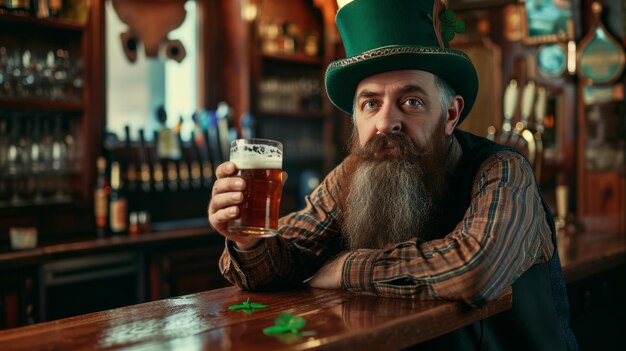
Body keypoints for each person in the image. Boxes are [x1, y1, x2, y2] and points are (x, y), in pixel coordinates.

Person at [208, 0, 578, 349]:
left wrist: (347, 268)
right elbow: (281, 262)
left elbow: (474, 270)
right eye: (371, 104)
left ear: (450, 115)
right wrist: (248, 241)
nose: (386, 123)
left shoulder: (503, 170)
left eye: (411, 102)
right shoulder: (351, 176)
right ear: (355, 116)